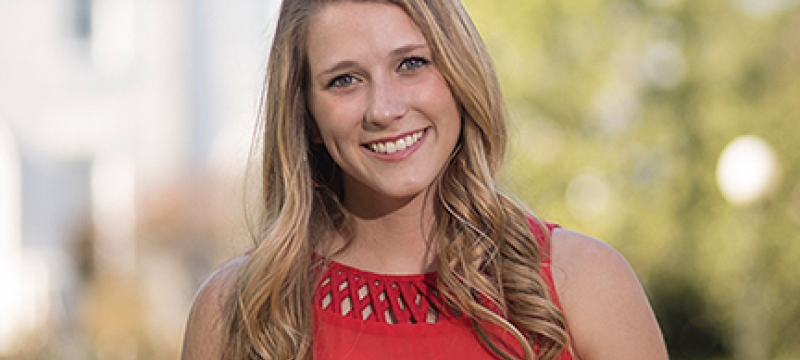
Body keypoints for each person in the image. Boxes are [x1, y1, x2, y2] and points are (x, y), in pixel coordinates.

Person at [181, 0, 669, 359]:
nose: (385, 109)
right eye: (344, 80)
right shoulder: (236, 311)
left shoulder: (585, 283)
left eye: (411, 64)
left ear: (459, 74)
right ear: (305, 114)